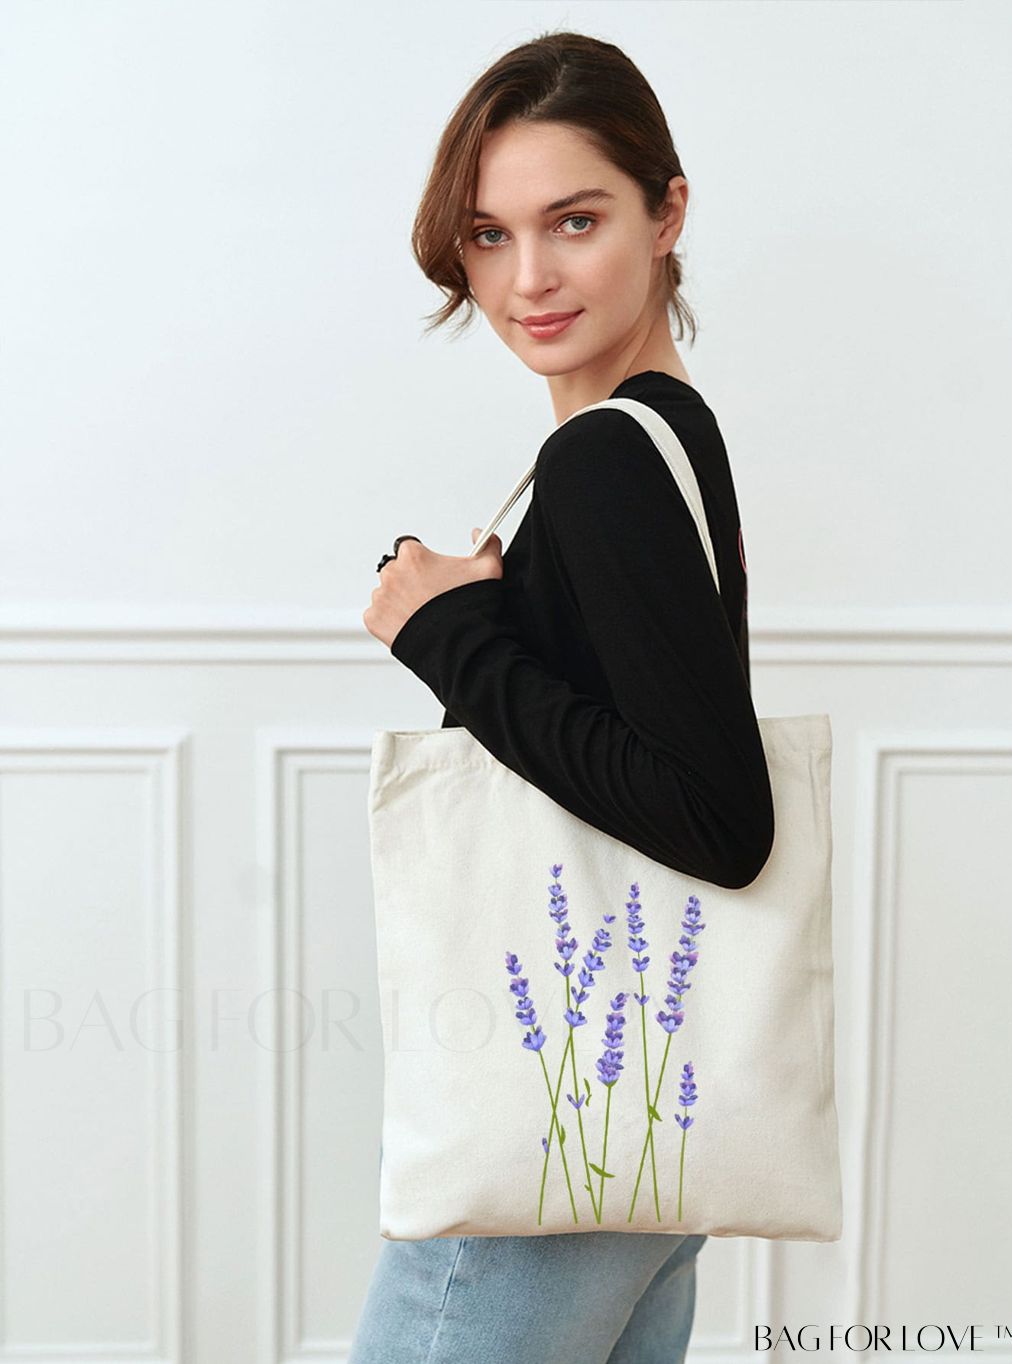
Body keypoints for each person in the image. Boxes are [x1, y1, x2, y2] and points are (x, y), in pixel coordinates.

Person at [354, 29, 774, 1364]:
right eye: (488, 236)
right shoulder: (671, 433)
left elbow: (717, 817)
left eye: (574, 221)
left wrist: (448, 636)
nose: (527, 279)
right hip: (640, 1123)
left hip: (557, 1128)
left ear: (668, 213)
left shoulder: (606, 458)